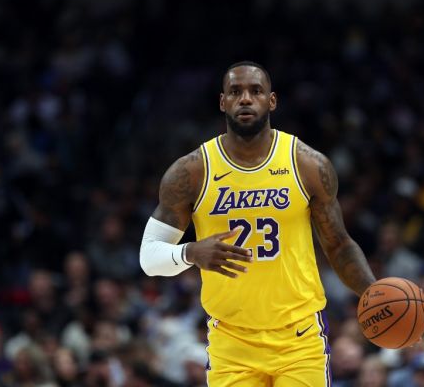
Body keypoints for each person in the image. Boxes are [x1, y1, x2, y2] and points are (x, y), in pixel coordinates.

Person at [139, 61, 377, 386]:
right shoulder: (191, 172)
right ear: (223, 102)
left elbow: (338, 244)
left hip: (299, 338)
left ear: (272, 101)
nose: (246, 99)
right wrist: (191, 253)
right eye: (235, 92)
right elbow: (149, 257)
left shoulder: (307, 164)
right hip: (231, 342)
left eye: (256, 91)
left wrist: (374, 294)